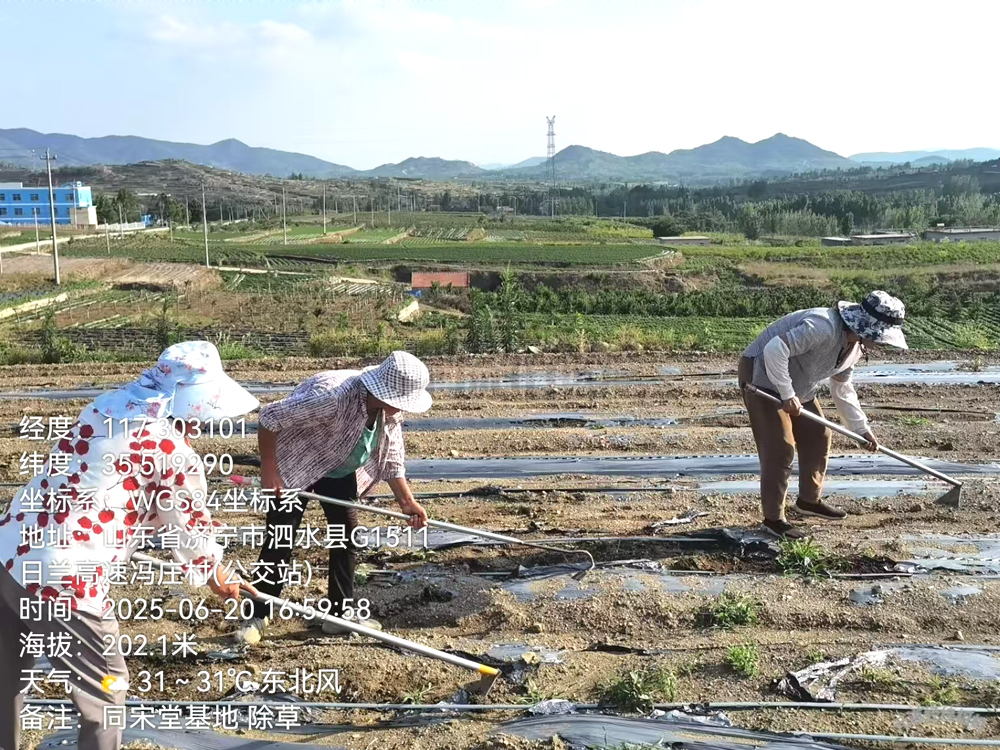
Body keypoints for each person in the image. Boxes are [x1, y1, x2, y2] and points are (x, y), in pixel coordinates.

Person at [0, 341, 260, 750]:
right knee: (106, 689)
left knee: (6, 675)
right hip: (64, 576)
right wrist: (214, 571)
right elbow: (189, 526)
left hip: (10, 547)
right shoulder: (171, 449)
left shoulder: (107, 408)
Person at [237, 350, 431, 644]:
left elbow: (392, 453)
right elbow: (270, 417)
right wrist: (269, 470)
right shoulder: (334, 397)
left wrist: (406, 501)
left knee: (347, 535)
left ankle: (339, 615)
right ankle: (258, 613)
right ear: (384, 392)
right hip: (296, 460)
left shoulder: (390, 411)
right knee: (281, 537)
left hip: (339, 467)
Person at [738, 291, 908, 539]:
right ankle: (773, 520)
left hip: (799, 382)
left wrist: (860, 429)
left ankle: (808, 501)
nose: (881, 344)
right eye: (881, 337)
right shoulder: (823, 327)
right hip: (761, 375)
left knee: (819, 434)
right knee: (780, 447)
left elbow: (842, 387)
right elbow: (774, 349)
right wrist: (786, 393)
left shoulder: (855, 347)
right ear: (866, 328)